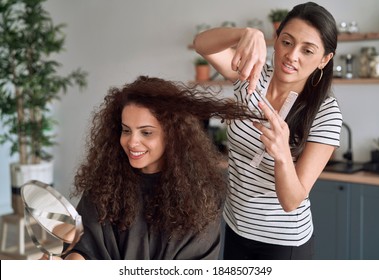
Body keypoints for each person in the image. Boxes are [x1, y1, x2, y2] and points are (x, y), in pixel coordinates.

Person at [193, 2, 343, 259]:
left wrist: (283, 154)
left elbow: (292, 201)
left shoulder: (326, 113)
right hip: (234, 227)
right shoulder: (252, 76)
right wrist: (244, 33)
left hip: (282, 243)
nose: (292, 55)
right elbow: (201, 44)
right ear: (276, 39)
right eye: (287, 42)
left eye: (307, 50)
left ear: (324, 60)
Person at [60, 76, 256, 260]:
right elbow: (83, 246)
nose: (132, 142)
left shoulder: (201, 197)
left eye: (146, 133)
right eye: (126, 130)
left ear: (172, 135)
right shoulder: (105, 185)